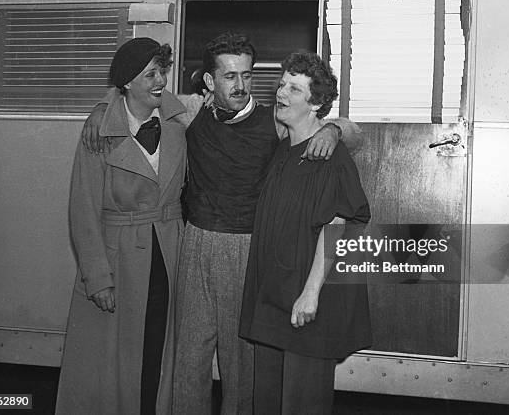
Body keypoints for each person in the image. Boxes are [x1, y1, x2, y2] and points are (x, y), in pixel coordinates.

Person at [82, 32, 363, 415]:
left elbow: (350, 130)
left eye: (247, 75)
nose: (241, 85)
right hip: (194, 242)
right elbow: (136, 92)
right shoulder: (191, 110)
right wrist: (104, 106)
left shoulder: (275, 121)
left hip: (246, 250)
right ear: (210, 82)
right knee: (189, 357)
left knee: (240, 363)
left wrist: (334, 130)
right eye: (230, 76)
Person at [56, 38, 187, 415]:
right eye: (150, 74)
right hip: (118, 259)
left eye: (162, 70)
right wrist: (97, 277)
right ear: (127, 82)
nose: (161, 80)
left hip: (169, 251)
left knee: (158, 349)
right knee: (113, 360)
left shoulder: (181, 120)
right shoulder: (99, 132)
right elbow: (82, 209)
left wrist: (335, 129)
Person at [239, 52, 372, 415]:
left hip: (304, 299)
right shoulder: (286, 147)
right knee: (267, 398)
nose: (282, 92)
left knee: (301, 401)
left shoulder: (331, 157)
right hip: (275, 294)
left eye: (294, 89)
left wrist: (310, 294)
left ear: (315, 104)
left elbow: (337, 228)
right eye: (282, 84)